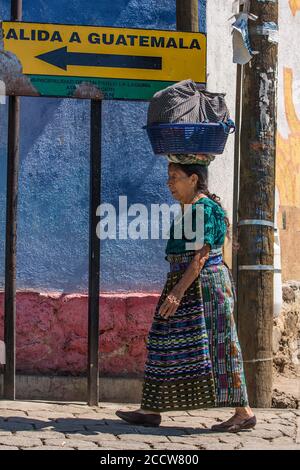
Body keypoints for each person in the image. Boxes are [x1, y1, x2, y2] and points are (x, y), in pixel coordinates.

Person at [116, 158, 256, 433]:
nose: (169, 183)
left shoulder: (205, 209)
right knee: (163, 338)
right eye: (169, 177)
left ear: (193, 179)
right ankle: (150, 409)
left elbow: (202, 256)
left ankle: (244, 412)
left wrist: (177, 293)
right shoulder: (191, 208)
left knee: (221, 342)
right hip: (185, 282)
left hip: (204, 287)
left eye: (175, 177)